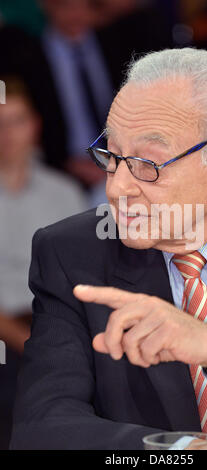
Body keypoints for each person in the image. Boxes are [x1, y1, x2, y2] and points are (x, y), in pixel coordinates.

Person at [10, 48, 207, 450]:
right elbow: (42, 432)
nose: (117, 188)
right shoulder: (71, 254)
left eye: (148, 163)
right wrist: (186, 455)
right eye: (112, 156)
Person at [0, 76, 86, 449]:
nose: (7, 134)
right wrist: (24, 339)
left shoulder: (65, 192)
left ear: (34, 125)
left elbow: (85, 274)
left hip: (57, 326)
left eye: (16, 121)